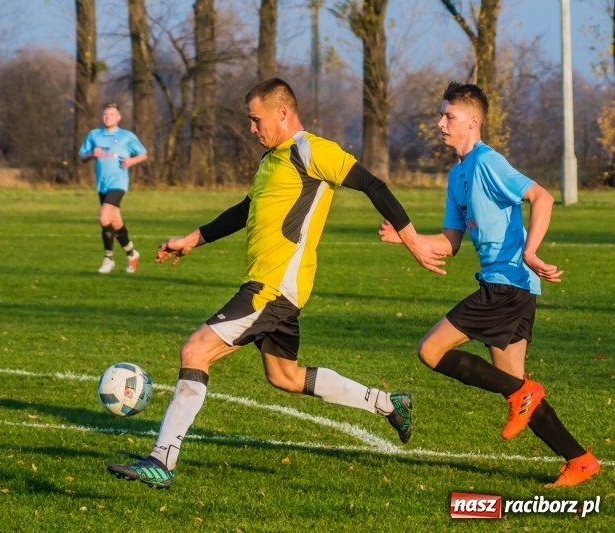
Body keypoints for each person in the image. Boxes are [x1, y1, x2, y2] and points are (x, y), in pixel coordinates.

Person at [106, 78, 447, 489]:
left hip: (273, 287)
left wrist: (412, 240)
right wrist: (191, 240)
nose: (252, 129)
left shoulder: (310, 149)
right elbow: (245, 211)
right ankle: (388, 404)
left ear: (283, 113)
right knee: (284, 376)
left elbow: (373, 184)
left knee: (195, 350)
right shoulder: (272, 160)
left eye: (256, 119)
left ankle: (162, 460)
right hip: (277, 287)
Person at [379, 81, 600, 488]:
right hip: (512, 288)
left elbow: (542, 197)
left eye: (449, 116)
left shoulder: (487, 162)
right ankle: (580, 459)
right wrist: (407, 238)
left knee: (430, 350)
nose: (441, 122)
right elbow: (451, 242)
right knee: (514, 384)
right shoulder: (458, 175)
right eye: (442, 115)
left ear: (473, 122)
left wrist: (531, 252)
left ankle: (525, 397)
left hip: (507, 284)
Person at [79, 102, 148, 274]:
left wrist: (132, 161)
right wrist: (90, 154)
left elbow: (143, 154)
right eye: (105, 114)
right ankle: (132, 254)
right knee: (115, 222)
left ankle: (108, 258)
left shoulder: (126, 136)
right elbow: (82, 156)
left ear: (118, 117)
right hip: (102, 184)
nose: (108, 117)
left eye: (111, 114)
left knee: (104, 219)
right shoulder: (94, 135)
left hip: (118, 183)